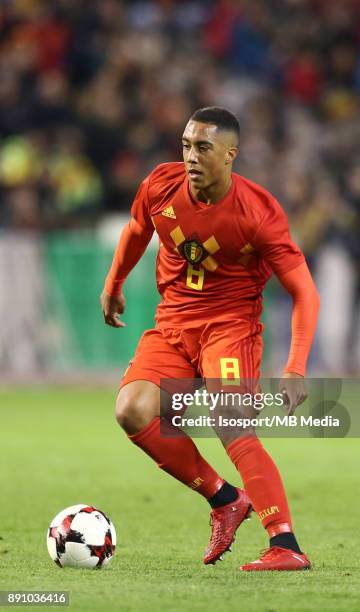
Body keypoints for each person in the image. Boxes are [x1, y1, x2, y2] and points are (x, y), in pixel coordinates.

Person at [101, 107, 320, 571]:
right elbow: (139, 230)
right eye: (186, 145)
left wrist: (296, 365)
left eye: (203, 148)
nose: (191, 157)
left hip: (230, 327)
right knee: (132, 410)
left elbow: (304, 292)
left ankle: (286, 545)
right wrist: (114, 284)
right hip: (174, 324)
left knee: (231, 421)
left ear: (230, 155)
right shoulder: (160, 186)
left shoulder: (258, 212)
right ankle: (224, 498)